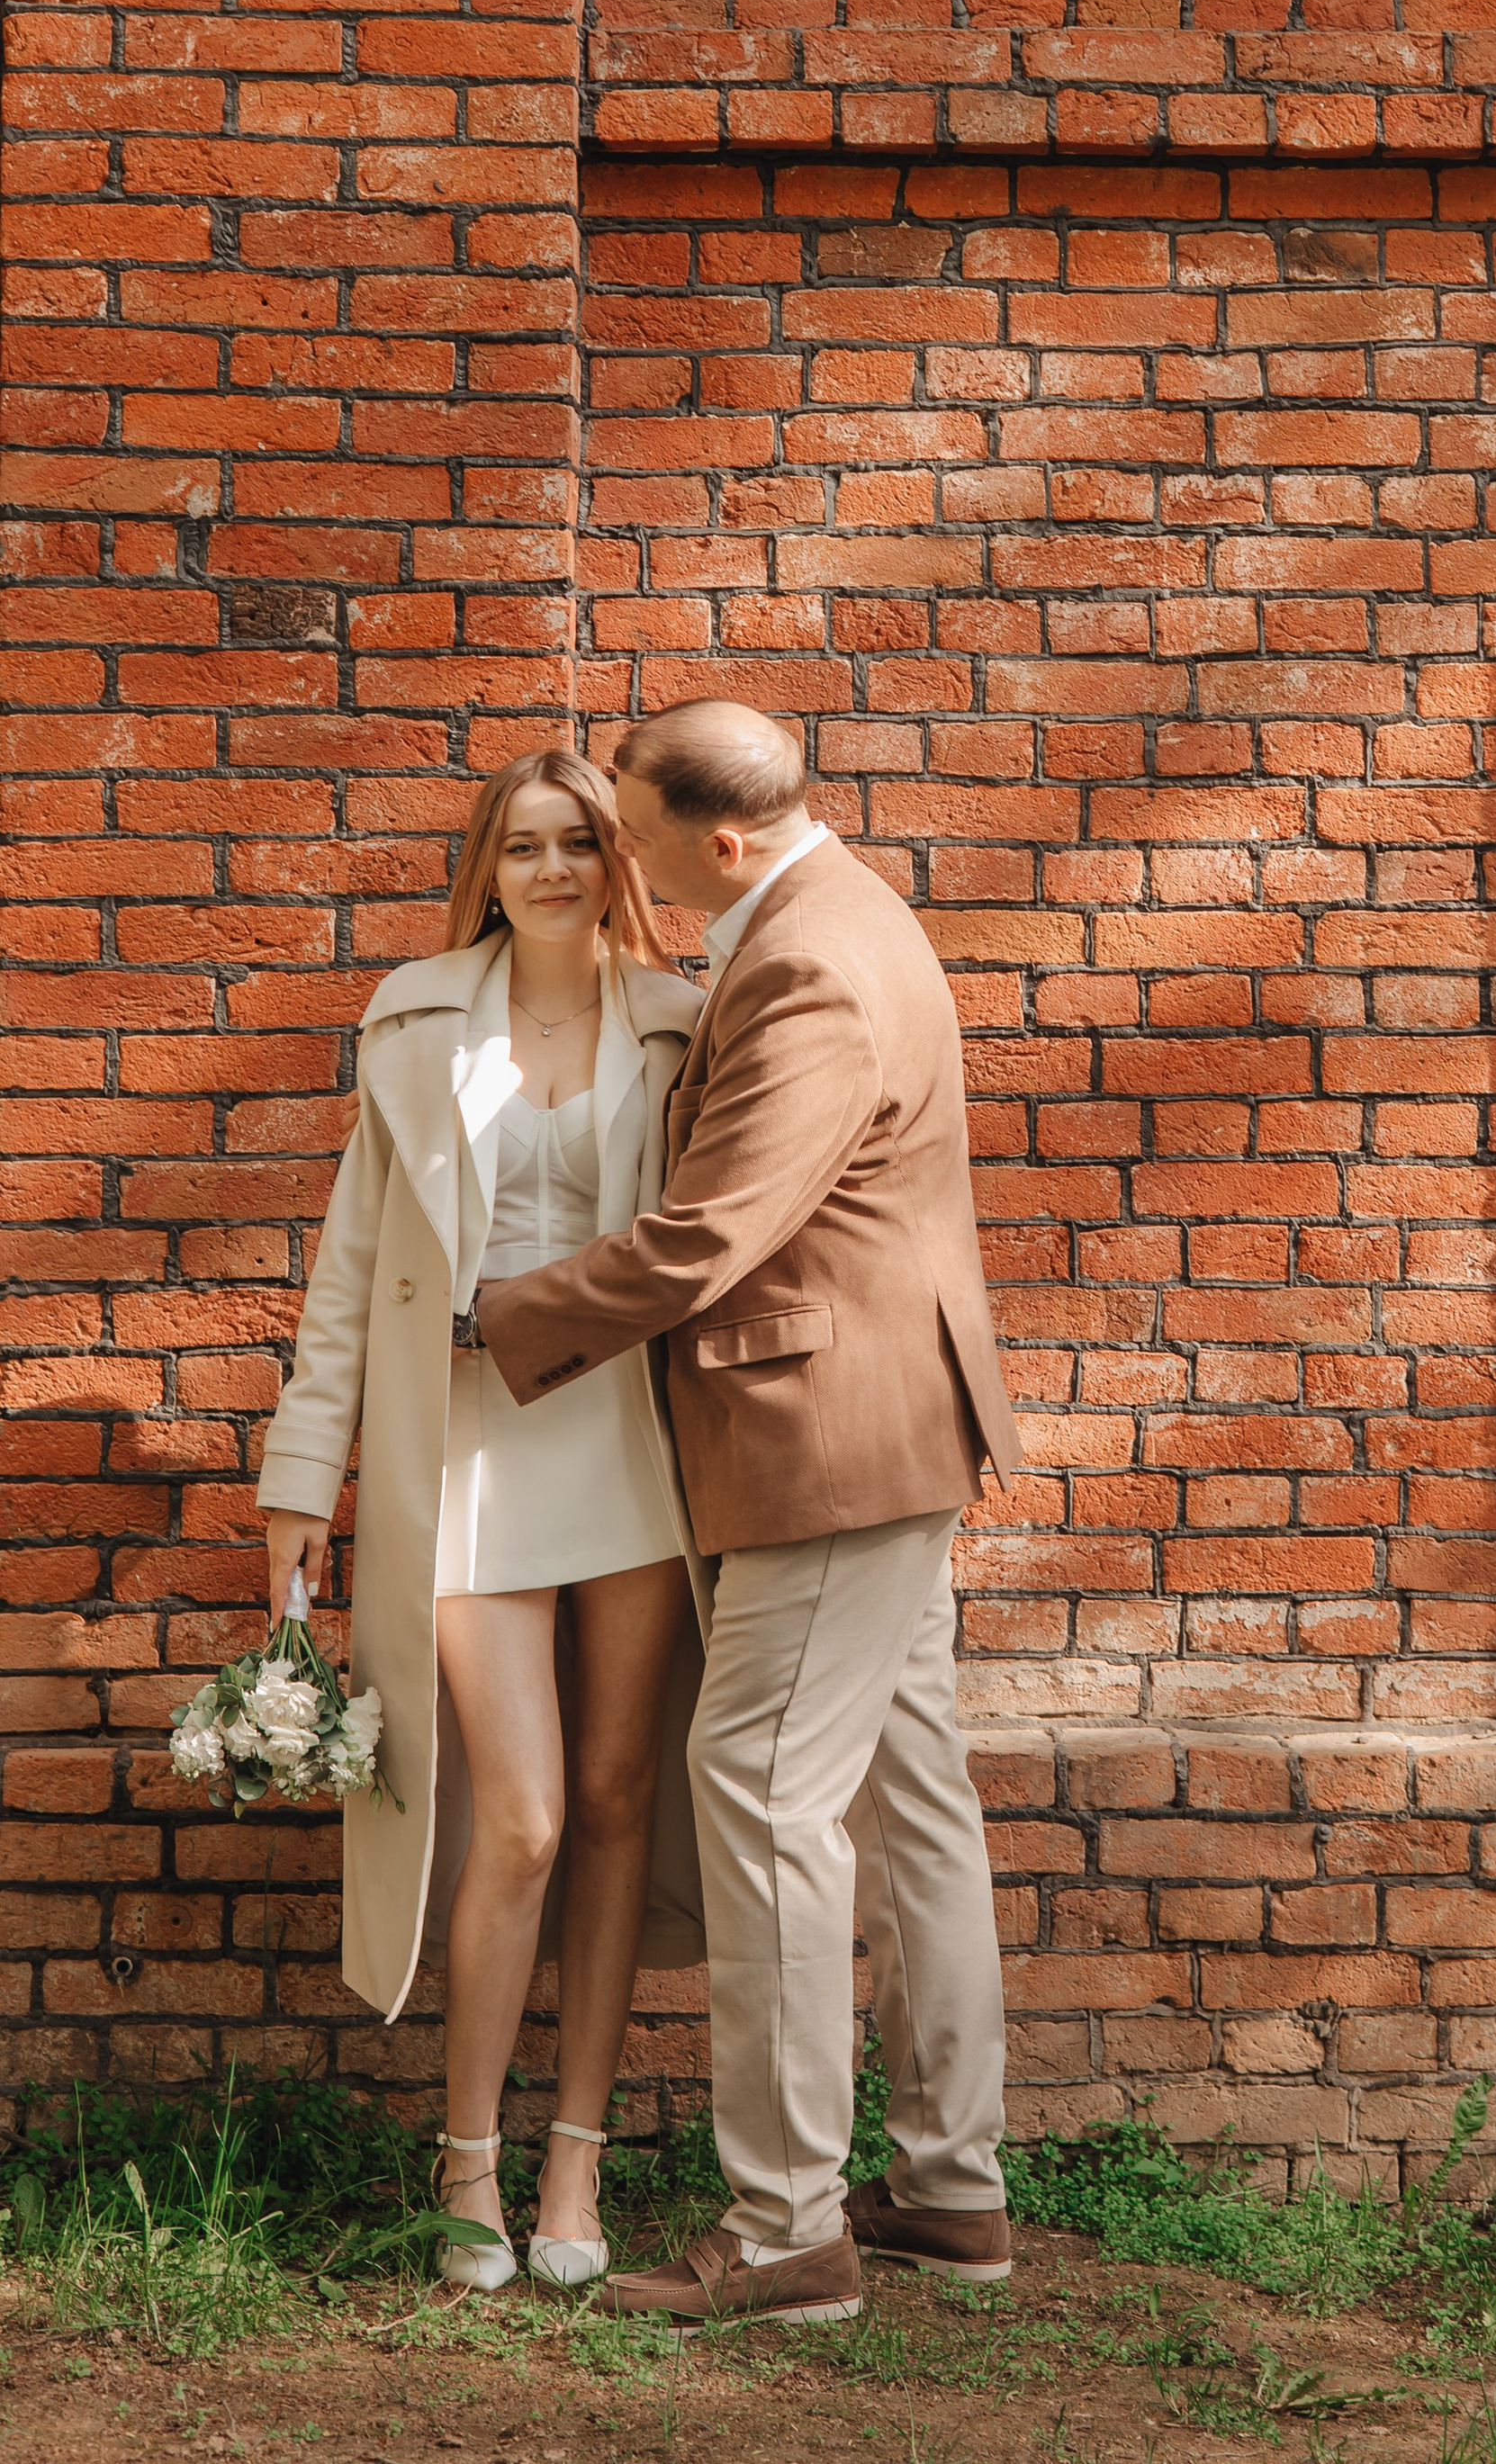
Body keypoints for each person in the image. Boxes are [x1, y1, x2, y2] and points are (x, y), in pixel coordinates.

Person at [476, 700, 1025, 2326]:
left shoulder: (805, 967)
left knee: (763, 1789)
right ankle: (949, 2191)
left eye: (631, 831)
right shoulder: (840, 905)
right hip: (888, 1422)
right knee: (909, 1802)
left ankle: (788, 2233)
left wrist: (506, 1313)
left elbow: (711, 1231)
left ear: (718, 840)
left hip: (825, 1437)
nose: (618, 861)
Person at [256, 752, 709, 2294]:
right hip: (463, 1452)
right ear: (488, 867)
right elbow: (349, 1268)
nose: (553, 868)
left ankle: (574, 2160)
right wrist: (301, 1476)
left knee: (614, 1791)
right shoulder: (418, 1018)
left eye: (579, 840)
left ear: (618, 860)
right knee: (514, 1813)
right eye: (521, 846)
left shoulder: (683, 1022)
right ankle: (468, 2162)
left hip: (635, 1442)